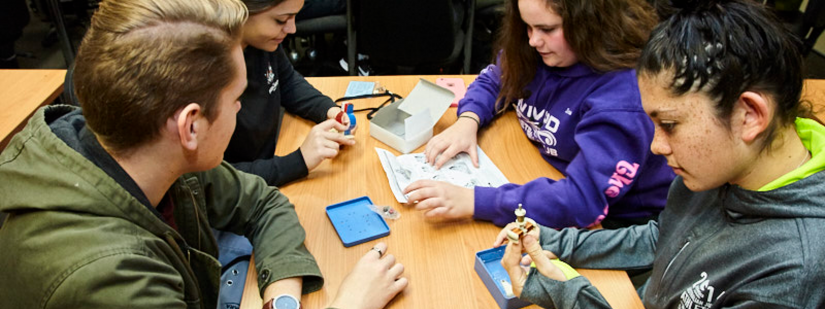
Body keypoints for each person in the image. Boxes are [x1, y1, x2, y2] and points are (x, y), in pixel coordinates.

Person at [0, 0, 406, 308]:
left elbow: (264, 202)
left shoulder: (152, 154)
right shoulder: (108, 280)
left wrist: (283, 301)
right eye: (235, 99)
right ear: (190, 126)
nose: (242, 109)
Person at [494, 0, 825, 307]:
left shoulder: (791, 274)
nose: (657, 146)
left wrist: (568, 295)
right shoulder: (720, 166)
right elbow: (661, 238)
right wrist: (558, 242)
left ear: (749, 115)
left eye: (669, 124)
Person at [404, 0, 674, 229]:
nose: (533, 40)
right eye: (527, 27)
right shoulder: (542, 49)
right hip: (540, 172)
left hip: (616, 221)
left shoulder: (622, 98)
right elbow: (495, 79)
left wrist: (475, 202)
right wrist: (468, 119)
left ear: (591, 24)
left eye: (547, 29)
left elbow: (581, 201)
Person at [225, 0, 354, 188]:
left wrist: (328, 109)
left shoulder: (263, 43)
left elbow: (286, 80)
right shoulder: (211, 74)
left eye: (294, 17)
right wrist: (298, 161)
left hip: (266, 171)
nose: (292, 29)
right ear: (241, 11)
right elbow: (217, 181)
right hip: (247, 191)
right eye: (281, 20)